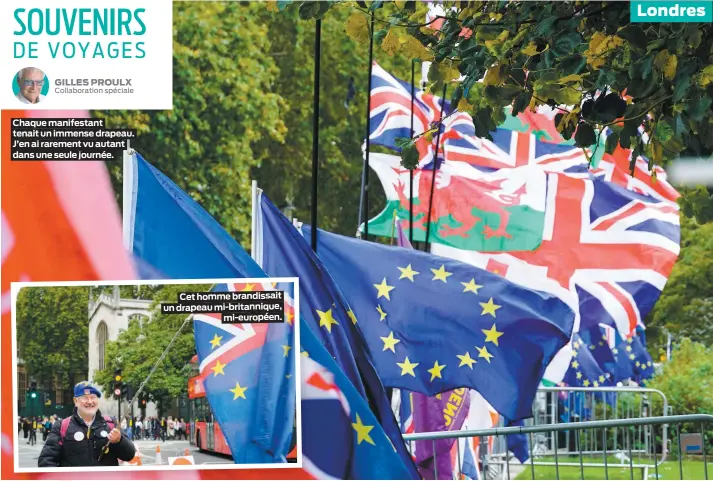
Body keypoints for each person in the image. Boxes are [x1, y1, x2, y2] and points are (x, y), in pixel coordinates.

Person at [38, 381, 135, 467]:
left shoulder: (111, 423)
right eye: (85, 398)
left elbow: (129, 456)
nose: (90, 401)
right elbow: (46, 461)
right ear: (75, 401)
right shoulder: (61, 426)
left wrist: (119, 440)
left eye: (93, 397)